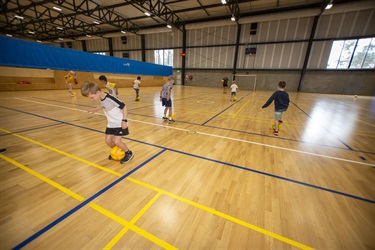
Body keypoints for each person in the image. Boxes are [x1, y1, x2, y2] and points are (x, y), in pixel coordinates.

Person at [81, 81, 133, 164]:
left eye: (91, 97)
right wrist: (97, 109)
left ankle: (128, 153)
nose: (91, 100)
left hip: (119, 122)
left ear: (97, 92)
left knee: (117, 141)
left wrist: (124, 121)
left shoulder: (110, 98)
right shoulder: (101, 96)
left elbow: (124, 106)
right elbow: (104, 104)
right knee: (108, 141)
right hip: (111, 123)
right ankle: (117, 151)